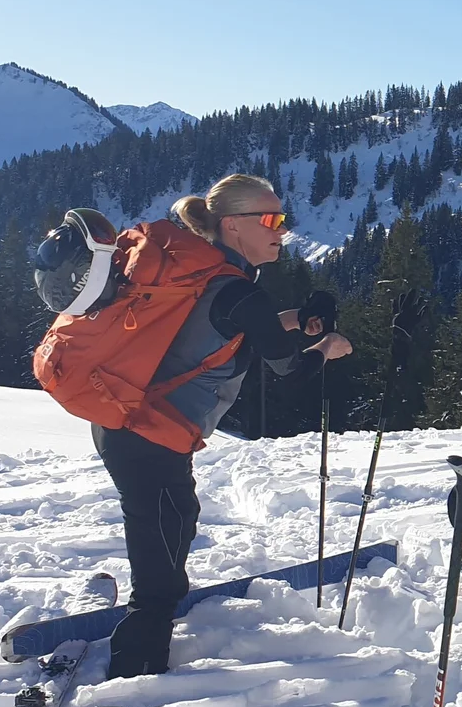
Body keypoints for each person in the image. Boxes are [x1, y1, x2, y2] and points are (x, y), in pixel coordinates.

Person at [96, 174, 352, 678]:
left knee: (171, 523)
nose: (283, 229)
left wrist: (299, 317)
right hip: (149, 433)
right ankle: (135, 673)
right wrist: (328, 348)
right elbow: (291, 370)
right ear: (234, 225)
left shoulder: (208, 272)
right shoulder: (235, 288)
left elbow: (235, 327)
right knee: (162, 552)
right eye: (272, 219)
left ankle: (151, 615)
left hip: (128, 420)